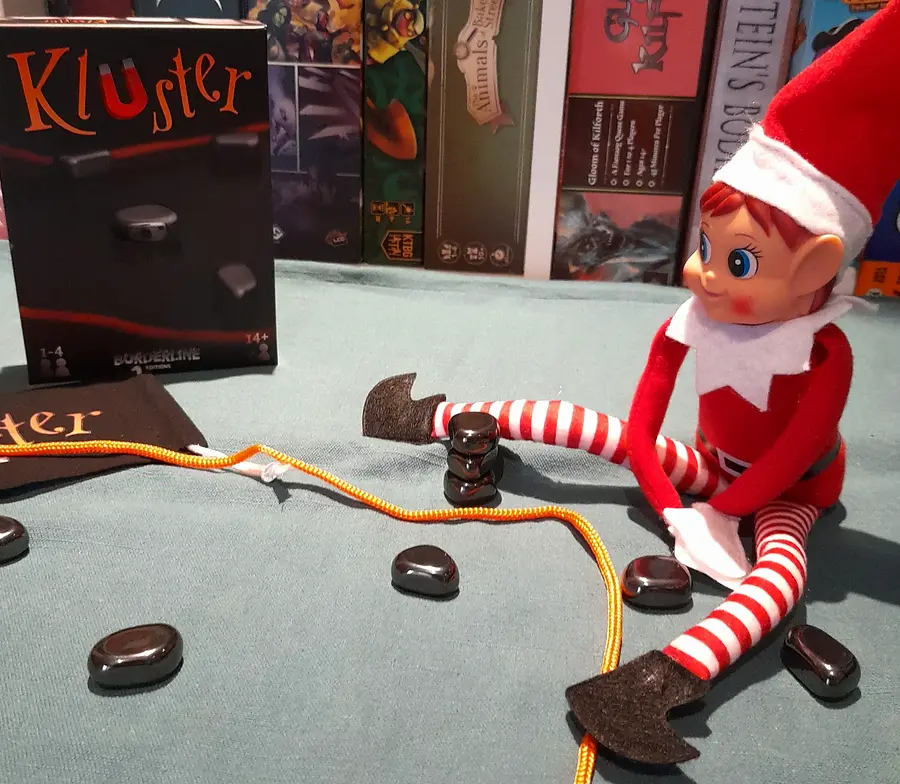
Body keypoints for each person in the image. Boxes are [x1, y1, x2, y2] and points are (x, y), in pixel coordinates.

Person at [361, 0, 900, 765]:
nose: (702, 273)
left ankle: (655, 686)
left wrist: (724, 513)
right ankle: (432, 416)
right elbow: (640, 427)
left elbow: (794, 456)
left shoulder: (825, 356)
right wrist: (674, 504)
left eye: (736, 261)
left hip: (789, 493)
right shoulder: (696, 317)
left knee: (780, 582)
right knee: (594, 427)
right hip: (707, 464)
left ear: (815, 265)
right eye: (705, 246)